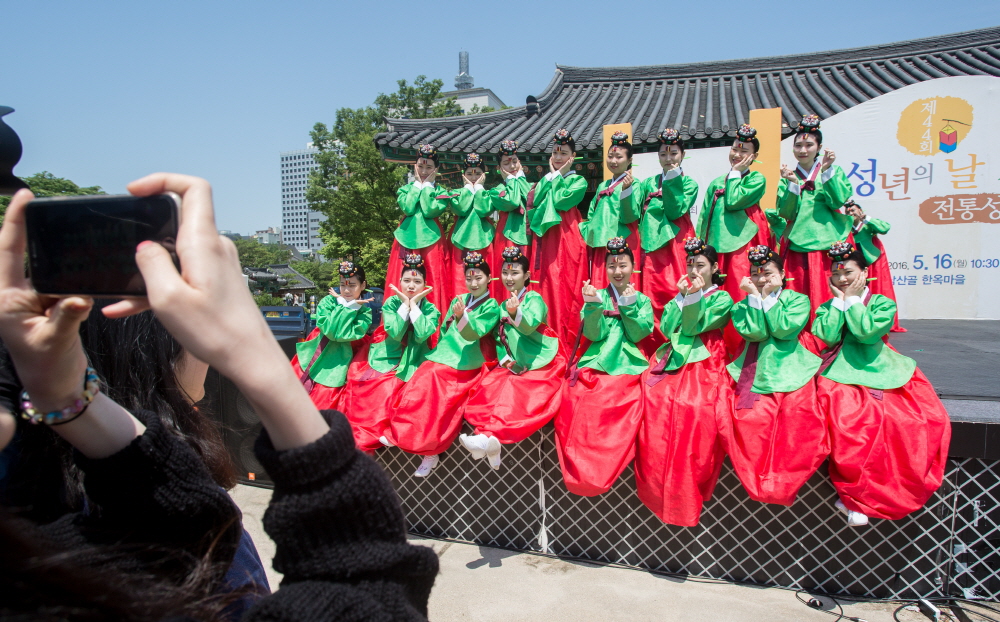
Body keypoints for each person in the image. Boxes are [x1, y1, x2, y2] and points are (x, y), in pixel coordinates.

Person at [0, 175, 438, 619]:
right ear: (160, 345)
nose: (347, 287)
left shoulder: (41, 535)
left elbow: (180, 521)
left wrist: (71, 402)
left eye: (353, 282)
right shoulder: (165, 569)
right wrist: (257, 359)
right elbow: (370, 596)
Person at [813, 241, 950, 526]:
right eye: (837, 274)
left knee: (911, 420)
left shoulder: (882, 303)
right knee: (848, 423)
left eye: (849, 272)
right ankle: (855, 494)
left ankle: (881, 494)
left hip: (879, 364)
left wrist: (851, 300)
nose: (843, 279)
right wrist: (841, 301)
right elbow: (826, 335)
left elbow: (866, 334)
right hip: (839, 368)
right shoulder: (829, 305)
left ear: (865, 272)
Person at [716, 245, 828, 508]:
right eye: (755, 273)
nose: (761, 278)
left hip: (791, 364)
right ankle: (760, 482)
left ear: (782, 274)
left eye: (767, 272)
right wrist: (756, 298)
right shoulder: (742, 305)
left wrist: (765, 299)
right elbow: (754, 333)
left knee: (799, 423)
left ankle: (782, 484)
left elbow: (783, 329)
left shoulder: (798, 300)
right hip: (756, 366)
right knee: (751, 422)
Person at [636, 237, 733, 527]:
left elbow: (694, 326)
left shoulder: (722, 297)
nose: (694, 271)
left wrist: (689, 299)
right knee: (653, 403)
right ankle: (656, 489)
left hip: (706, 362)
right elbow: (666, 327)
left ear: (715, 268)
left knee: (694, 411)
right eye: (690, 265)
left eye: (701, 266)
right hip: (675, 359)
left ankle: (686, 494)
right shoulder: (681, 294)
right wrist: (680, 299)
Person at [381, 251, 500, 477]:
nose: (473, 283)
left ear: (489, 278)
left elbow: (475, 332)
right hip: (444, 355)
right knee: (419, 383)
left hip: (469, 359)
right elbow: (445, 331)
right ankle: (405, 435)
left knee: (435, 388)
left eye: (479, 278)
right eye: (469, 278)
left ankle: (430, 449)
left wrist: (463, 318)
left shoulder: (492, 305)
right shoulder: (458, 300)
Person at [556, 237, 653, 496]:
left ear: (633, 267)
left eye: (622, 265)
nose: (618, 271)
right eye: (612, 266)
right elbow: (594, 334)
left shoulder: (642, 299)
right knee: (573, 397)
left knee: (610, 399)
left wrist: (629, 307)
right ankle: (581, 469)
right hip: (596, 358)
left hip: (627, 361)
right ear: (605, 269)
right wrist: (592, 306)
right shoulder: (597, 295)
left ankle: (600, 471)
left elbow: (638, 335)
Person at [461, 246, 567, 470]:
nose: (509, 278)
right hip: (511, 363)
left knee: (513, 389)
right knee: (488, 386)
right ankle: (489, 441)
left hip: (537, 363)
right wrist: (464, 319)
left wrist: (515, 313)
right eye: (506, 273)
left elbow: (529, 327)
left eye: (515, 273)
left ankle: (488, 436)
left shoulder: (534, 298)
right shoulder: (500, 306)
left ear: (527, 276)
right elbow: (489, 333)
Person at [339, 253, 439, 454]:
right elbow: (394, 331)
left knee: (403, 391)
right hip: (388, 355)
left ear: (425, 285)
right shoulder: (391, 304)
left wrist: (414, 306)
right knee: (369, 387)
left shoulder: (430, 308)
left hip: (415, 358)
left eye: (417, 281)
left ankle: (394, 434)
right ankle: (365, 436)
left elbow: (422, 335)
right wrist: (405, 304)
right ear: (400, 282)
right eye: (407, 280)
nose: (411, 286)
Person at [775, 114, 854, 319]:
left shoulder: (832, 171)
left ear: (819, 148)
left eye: (809, 145)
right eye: (798, 145)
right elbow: (786, 213)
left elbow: (837, 202)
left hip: (829, 241)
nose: (802, 150)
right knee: (799, 290)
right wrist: (793, 184)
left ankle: (833, 331)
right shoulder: (787, 177)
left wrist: (827, 171)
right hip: (798, 242)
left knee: (833, 287)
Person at [695, 124, 774, 306]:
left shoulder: (756, 179)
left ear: (754, 157)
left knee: (740, 284)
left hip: (743, 242)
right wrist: (701, 244)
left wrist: (735, 174)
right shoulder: (716, 182)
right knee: (716, 287)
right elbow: (704, 216)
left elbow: (733, 201)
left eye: (744, 151)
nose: (737, 155)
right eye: (734, 149)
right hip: (716, 243)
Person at [525, 128, 589, 345]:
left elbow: (561, 200)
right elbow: (536, 198)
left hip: (567, 236)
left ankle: (569, 338)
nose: (558, 157)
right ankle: (546, 335)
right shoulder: (546, 179)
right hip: (547, 238)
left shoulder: (578, 181)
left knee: (567, 283)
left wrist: (557, 177)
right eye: (555, 153)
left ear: (572, 157)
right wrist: (553, 177)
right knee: (547, 282)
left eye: (563, 153)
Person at [289, 261, 373, 411]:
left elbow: (341, 335)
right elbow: (331, 332)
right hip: (319, 350)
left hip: (348, 355)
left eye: (352, 285)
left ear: (363, 285)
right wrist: (347, 306)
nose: (346, 290)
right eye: (342, 285)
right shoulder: (328, 301)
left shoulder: (364, 312)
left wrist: (348, 307)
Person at [636, 128, 699, 322]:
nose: (668, 158)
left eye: (673, 153)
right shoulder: (648, 183)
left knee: (677, 285)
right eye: (663, 154)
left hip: (677, 242)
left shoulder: (689, 183)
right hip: (650, 243)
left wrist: (671, 180)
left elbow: (674, 211)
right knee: (651, 287)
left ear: (683, 155)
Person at [386, 143, 457, 310]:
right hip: (405, 239)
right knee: (401, 279)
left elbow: (429, 210)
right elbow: (408, 208)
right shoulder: (405, 189)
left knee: (432, 280)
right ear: (414, 167)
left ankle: (432, 327)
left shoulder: (441, 192)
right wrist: (417, 185)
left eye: (429, 167)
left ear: (436, 169)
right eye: (420, 166)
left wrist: (426, 187)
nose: (424, 171)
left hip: (431, 240)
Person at [580, 131, 641, 289]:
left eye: (619, 157)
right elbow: (591, 214)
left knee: (622, 283)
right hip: (600, 243)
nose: (614, 161)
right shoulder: (602, 185)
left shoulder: (635, 184)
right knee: (600, 285)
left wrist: (626, 191)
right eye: (610, 157)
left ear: (629, 161)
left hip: (621, 243)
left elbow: (630, 216)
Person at [845, 199, 905, 332]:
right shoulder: (845, 227)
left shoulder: (867, 225)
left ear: (860, 211)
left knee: (878, 289)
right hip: (855, 264)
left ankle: (883, 319)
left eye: (853, 210)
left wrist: (867, 218)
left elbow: (885, 228)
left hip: (873, 262)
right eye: (848, 211)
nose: (851, 213)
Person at [488, 140, 530, 298]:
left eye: (514, 161)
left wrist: (520, 180)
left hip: (527, 236)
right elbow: (512, 201)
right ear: (499, 169)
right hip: (506, 237)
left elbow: (531, 199)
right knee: (507, 274)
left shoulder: (530, 185)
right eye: (506, 163)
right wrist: (512, 180)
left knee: (526, 275)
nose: (512, 166)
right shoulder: (496, 190)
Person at [449, 152, 496, 278]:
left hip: (484, 237)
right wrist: (468, 188)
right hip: (461, 238)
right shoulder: (456, 193)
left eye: (478, 174)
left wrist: (479, 188)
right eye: (469, 174)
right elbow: (461, 209)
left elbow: (484, 210)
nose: (473, 177)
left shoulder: (489, 193)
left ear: (484, 175)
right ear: (463, 175)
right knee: (460, 276)